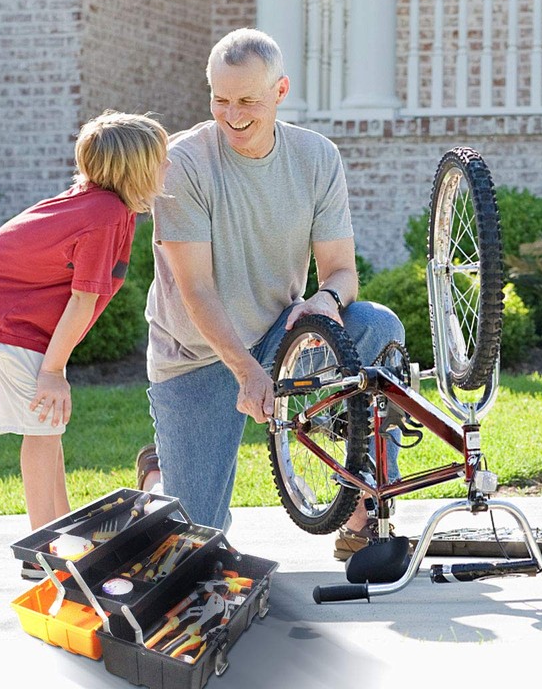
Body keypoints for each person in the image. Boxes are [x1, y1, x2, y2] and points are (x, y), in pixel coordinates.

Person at [141, 28, 404, 560]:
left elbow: (342, 271)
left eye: (247, 101)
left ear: (280, 92)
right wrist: (245, 371)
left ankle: (364, 509)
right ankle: (156, 479)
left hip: (281, 337)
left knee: (377, 327)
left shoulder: (315, 157)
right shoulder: (182, 163)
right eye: (220, 99)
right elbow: (195, 287)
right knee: (197, 545)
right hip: (196, 355)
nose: (232, 114)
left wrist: (326, 301)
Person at [0, 110, 168, 578]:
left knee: (49, 425)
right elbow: (81, 301)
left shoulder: (106, 207)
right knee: (41, 427)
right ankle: (43, 556)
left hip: (18, 309)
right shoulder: (105, 215)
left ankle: (62, 533)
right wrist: (52, 371)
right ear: (135, 169)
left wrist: (54, 366)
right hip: (7, 315)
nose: (166, 169)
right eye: (160, 161)